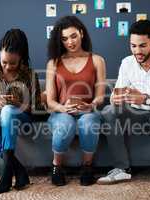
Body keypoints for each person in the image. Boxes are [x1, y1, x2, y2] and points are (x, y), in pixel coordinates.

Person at [97, 20, 150, 196]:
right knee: (108, 111)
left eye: (142, 46)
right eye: (133, 46)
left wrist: (143, 97)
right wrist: (117, 97)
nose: (137, 51)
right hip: (136, 114)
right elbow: (117, 93)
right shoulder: (127, 62)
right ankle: (122, 169)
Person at [0, 28, 42, 194]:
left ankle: (6, 172)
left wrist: (18, 104)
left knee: (8, 111)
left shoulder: (29, 75)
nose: (8, 66)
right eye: (4, 62)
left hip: (22, 120)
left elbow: (38, 109)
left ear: (22, 57)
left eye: (13, 63)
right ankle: (16, 168)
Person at [46, 15, 106, 186]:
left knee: (88, 122)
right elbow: (50, 101)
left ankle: (87, 167)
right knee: (66, 123)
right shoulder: (54, 63)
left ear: (81, 33)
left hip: (87, 111)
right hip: (61, 113)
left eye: (73, 36)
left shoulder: (97, 60)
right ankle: (57, 165)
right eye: (64, 39)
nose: (70, 42)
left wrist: (91, 105)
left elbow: (100, 95)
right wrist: (64, 109)